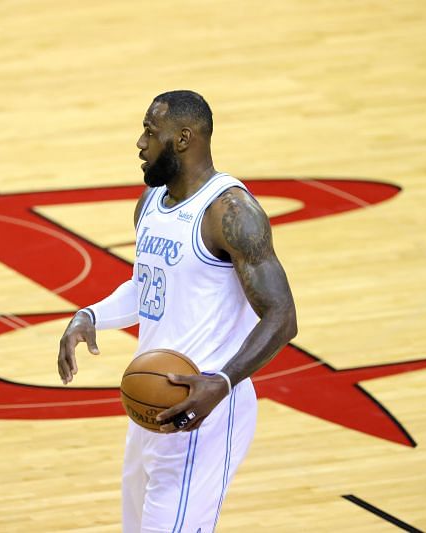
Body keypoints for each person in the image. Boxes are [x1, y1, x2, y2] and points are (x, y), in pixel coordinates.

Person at [57, 90, 297, 532]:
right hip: (152, 404)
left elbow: (282, 317)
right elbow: (147, 288)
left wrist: (220, 383)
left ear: (183, 138)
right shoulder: (151, 203)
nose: (140, 143)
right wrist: (90, 316)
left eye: (151, 131)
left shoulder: (230, 212)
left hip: (202, 410)